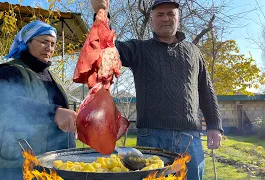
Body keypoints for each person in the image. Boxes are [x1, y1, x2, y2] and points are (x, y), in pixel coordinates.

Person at [91, 0, 223, 179]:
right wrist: (102, 13)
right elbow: (108, 47)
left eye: (170, 14)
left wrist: (214, 125)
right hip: (152, 136)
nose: (165, 18)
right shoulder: (139, 49)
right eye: (160, 15)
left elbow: (206, 88)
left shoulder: (194, 51)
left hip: (190, 138)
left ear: (178, 18)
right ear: (152, 20)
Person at [0, 20, 77, 180]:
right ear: (27, 42)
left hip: (50, 159)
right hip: (15, 161)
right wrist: (54, 112)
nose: (49, 48)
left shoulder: (52, 77)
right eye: (43, 42)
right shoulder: (8, 71)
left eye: (53, 44)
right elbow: (13, 103)